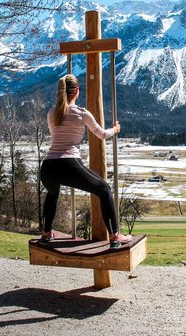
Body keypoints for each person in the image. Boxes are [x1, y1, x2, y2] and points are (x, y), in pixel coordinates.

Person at [39, 74, 132, 247]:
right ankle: (115, 236)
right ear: (77, 92)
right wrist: (115, 129)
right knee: (104, 190)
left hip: (48, 166)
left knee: (52, 194)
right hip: (68, 163)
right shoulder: (81, 113)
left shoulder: (51, 113)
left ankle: (46, 233)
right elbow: (102, 135)